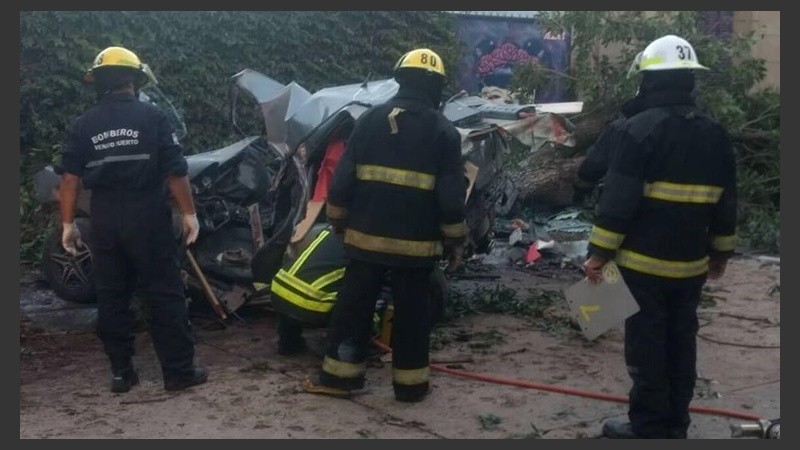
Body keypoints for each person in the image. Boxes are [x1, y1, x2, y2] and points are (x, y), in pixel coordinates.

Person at [581, 35, 738, 438]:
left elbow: (617, 200)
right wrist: (721, 252)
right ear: (689, 79)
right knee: (682, 341)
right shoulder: (714, 134)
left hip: (641, 265)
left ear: (647, 80)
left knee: (647, 346)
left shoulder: (637, 129)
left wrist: (598, 253)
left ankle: (648, 426)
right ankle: (675, 423)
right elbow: (725, 202)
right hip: (691, 267)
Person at [305, 48, 467, 402]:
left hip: (365, 243)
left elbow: (343, 179)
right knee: (413, 316)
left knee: (353, 310)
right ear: (437, 87)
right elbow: (452, 199)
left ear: (400, 79)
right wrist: (456, 242)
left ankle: (340, 379)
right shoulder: (445, 133)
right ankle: (411, 388)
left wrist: (336, 220)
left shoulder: (370, 120)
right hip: (417, 250)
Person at [59, 46, 208, 393]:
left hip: (105, 218)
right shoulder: (153, 118)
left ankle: (121, 374)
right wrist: (189, 213)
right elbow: (175, 171)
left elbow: (69, 178)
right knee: (164, 293)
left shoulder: (83, 125)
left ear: (100, 83)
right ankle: (178, 372)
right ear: (134, 81)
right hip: (147, 215)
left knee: (111, 296)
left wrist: (67, 224)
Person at [270, 224, 347, 355]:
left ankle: (288, 343)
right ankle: (336, 349)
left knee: (296, 290)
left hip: (278, 289)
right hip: (312, 306)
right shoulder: (362, 248)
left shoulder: (328, 231)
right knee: (358, 296)